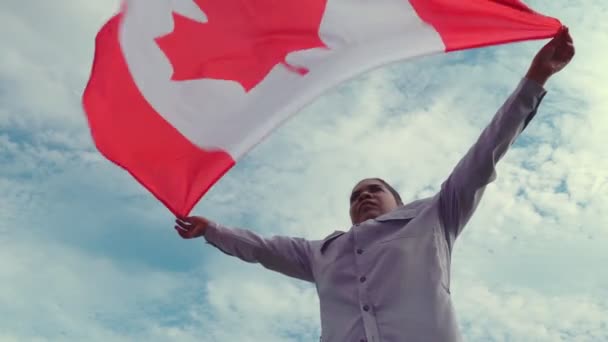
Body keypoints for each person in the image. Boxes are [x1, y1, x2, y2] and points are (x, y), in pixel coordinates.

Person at [175, 27, 575, 342]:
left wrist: (536, 78)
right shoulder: (320, 254)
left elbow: (485, 151)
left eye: (373, 189)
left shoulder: (435, 217)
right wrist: (212, 231)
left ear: (398, 202)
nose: (363, 195)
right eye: (355, 195)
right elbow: (260, 248)